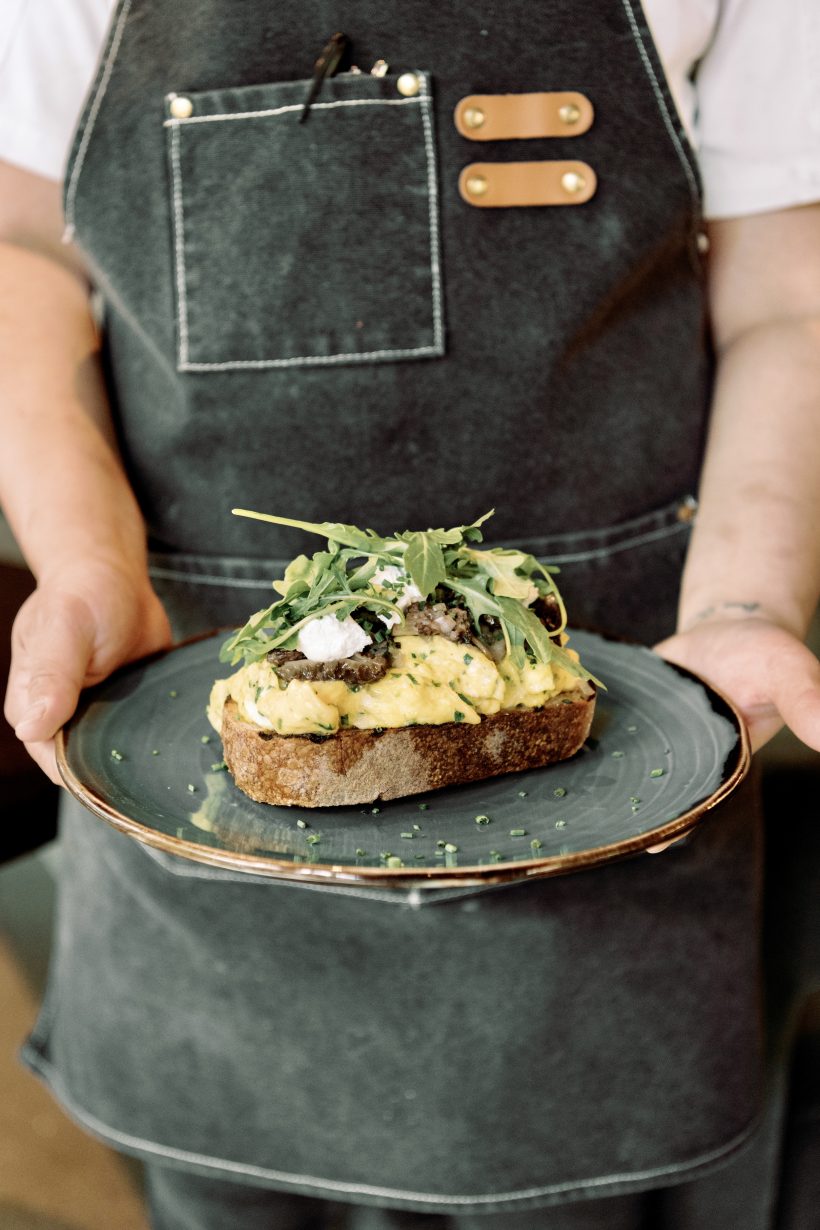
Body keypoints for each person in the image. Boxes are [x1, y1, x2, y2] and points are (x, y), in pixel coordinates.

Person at [2, 1, 820, 1227]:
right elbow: (27, 249)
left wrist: (750, 596)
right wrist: (84, 566)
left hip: (632, 699)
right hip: (179, 689)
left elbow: (787, 291)